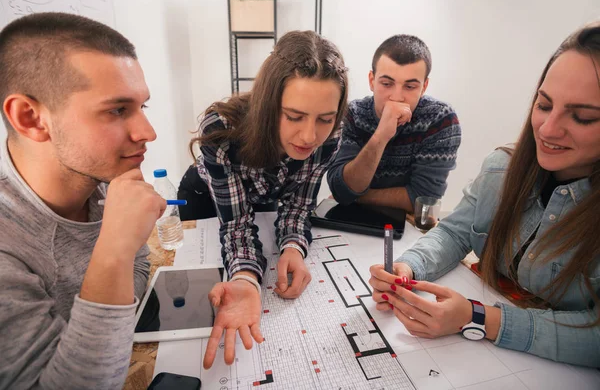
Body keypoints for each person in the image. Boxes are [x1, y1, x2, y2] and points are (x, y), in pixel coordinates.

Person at [369, 22, 600, 367]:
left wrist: (477, 318)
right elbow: (453, 231)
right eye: (544, 105)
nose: (548, 130)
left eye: (582, 117)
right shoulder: (500, 168)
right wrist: (408, 267)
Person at [0, 13, 166, 389]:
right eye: (117, 110)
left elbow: (140, 269)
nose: (148, 132)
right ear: (30, 117)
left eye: (143, 107)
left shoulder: (105, 182)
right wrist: (113, 253)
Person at [190, 30, 348, 369]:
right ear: (268, 103)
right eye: (293, 116)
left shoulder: (330, 136)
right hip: (206, 197)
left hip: (268, 196)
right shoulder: (222, 129)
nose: (310, 137)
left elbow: (299, 204)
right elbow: (235, 224)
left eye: (325, 118)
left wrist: (293, 247)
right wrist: (246, 277)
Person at [327, 34, 461, 212]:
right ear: (372, 81)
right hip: (350, 221)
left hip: (409, 227)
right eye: (387, 83)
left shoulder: (440, 120)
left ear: (424, 87)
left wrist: (358, 197)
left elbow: (423, 199)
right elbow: (341, 187)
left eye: (410, 86)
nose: (397, 97)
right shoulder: (352, 114)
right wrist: (381, 135)